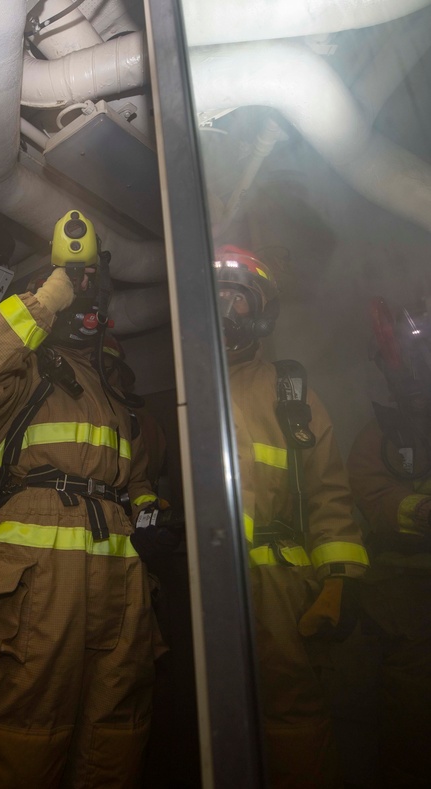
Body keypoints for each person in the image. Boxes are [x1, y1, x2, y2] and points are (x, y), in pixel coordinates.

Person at [0, 213, 164, 788]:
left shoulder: (116, 394)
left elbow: (134, 475)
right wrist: (48, 298)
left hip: (118, 583)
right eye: (75, 287)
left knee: (114, 744)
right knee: (21, 742)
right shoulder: (25, 374)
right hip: (37, 584)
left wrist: (146, 509)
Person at [214, 245, 369, 788]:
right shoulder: (182, 386)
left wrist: (339, 581)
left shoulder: (288, 392)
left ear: (261, 311)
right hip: (201, 588)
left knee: (294, 724)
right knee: (206, 725)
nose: (226, 308)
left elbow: (330, 493)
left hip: (281, 591)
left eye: (238, 296)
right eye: (216, 294)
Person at [346, 296, 431, 786]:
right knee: (413, 725)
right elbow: (373, 495)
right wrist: (420, 511)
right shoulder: (377, 435)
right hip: (406, 599)